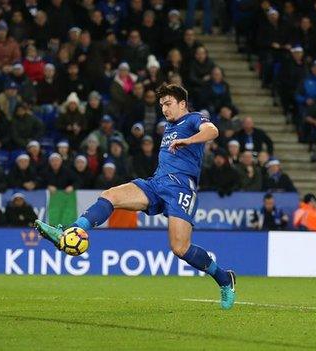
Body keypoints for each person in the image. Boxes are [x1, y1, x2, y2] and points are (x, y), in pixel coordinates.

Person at [34, 84, 236, 309]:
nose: (164, 110)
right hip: (156, 184)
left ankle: (224, 279)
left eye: (168, 104)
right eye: (161, 106)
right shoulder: (169, 127)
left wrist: (188, 141)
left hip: (181, 189)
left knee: (180, 248)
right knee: (110, 195)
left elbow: (213, 131)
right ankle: (70, 231)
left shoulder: (193, 119)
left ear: (182, 104)